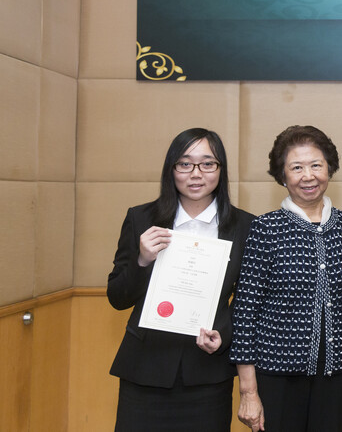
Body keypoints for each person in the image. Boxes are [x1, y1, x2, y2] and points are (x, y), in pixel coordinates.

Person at [107, 128, 255, 432]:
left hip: (207, 375)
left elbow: (246, 303)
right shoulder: (141, 218)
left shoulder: (245, 226)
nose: (196, 174)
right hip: (145, 370)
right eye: (185, 163)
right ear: (171, 169)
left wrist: (223, 336)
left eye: (208, 163)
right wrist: (142, 260)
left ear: (221, 170)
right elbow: (117, 297)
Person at [230, 125, 342, 432]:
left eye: (316, 165)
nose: (308, 176)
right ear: (282, 176)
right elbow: (244, 313)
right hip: (277, 376)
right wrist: (248, 392)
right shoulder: (265, 229)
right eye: (296, 167)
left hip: (338, 373)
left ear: (330, 169)